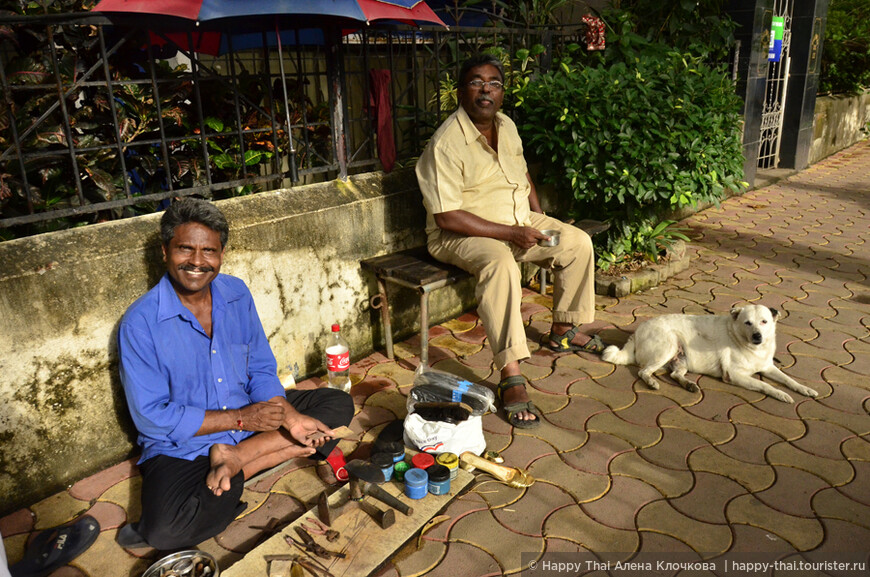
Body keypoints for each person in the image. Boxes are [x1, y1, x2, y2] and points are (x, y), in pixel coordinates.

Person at [117, 198, 354, 549]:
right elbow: (152, 419)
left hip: (253, 418)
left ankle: (240, 460)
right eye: (185, 249)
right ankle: (271, 455)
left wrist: (289, 417)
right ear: (165, 251)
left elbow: (259, 367)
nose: (197, 262)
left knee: (336, 404)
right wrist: (241, 419)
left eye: (208, 251)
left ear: (222, 254)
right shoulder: (140, 323)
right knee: (164, 531)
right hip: (186, 444)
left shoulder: (235, 293)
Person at [415, 53, 606, 429]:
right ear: (460, 91)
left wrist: (541, 216)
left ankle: (563, 331)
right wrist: (511, 233)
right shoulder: (446, 144)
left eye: (494, 83)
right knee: (501, 265)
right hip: (463, 234)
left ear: (502, 93)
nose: (486, 90)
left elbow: (523, 176)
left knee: (576, 241)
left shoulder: (507, 126)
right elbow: (446, 216)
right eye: (476, 82)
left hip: (516, 224)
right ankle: (510, 374)